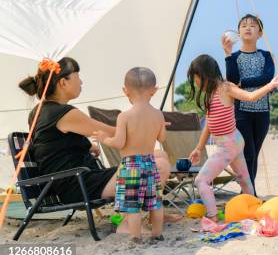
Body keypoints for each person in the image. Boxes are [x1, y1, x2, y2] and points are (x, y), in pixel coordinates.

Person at [18, 57, 175, 233]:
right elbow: (114, 132)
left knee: (158, 157)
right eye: (78, 77)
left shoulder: (39, 111)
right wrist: (151, 124)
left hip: (72, 179)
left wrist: (89, 147)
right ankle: (127, 222)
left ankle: (147, 214)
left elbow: (54, 145)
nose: (82, 82)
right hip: (77, 183)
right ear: (63, 82)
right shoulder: (65, 114)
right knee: (159, 163)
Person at [187, 54, 278, 220]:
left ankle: (213, 217)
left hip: (229, 144)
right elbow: (209, 123)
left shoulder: (226, 88)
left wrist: (270, 85)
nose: (195, 83)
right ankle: (255, 211)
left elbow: (250, 97)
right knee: (245, 180)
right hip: (233, 142)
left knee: (201, 181)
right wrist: (199, 148)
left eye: (196, 79)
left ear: (204, 75)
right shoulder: (210, 94)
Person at [93, 67, 165, 242]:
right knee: (155, 202)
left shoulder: (124, 116)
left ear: (125, 91)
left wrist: (104, 138)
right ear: (154, 91)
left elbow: (119, 143)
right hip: (150, 163)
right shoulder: (159, 115)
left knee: (132, 206)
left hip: (131, 165)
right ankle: (157, 234)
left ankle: (135, 236)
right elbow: (162, 138)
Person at [223, 13, 274, 196]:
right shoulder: (234, 57)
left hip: (262, 111)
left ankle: (247, 191)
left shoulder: (267, 55)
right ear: (238, 32)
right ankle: (250, 194)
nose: (248, 27)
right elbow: (232, 80)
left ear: (260, 33)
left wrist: (243, 84)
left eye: (253, 25)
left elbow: (267, 78)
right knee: (248, 153)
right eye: (244, 25)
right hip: (241, 112)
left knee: (255, 153)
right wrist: (228, 54)